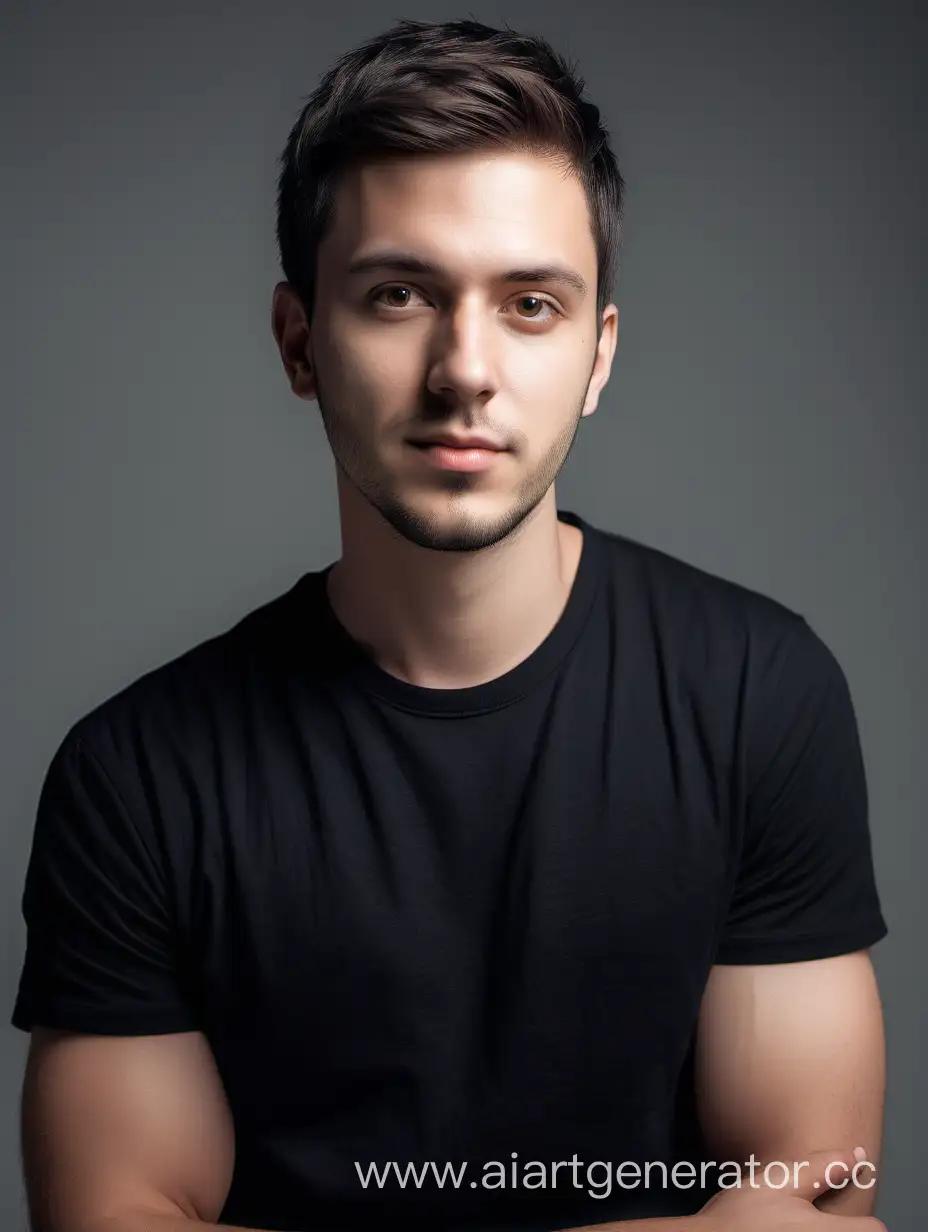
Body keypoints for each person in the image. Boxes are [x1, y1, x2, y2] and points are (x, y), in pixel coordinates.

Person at [12, 17, 888, 1232]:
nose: (463, 367)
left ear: (597, 355)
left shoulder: (756, 691)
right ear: (299, 341)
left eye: (530, 303)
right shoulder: (139, 773)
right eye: (397, 293)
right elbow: (113, 1217)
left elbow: (817, 1202)